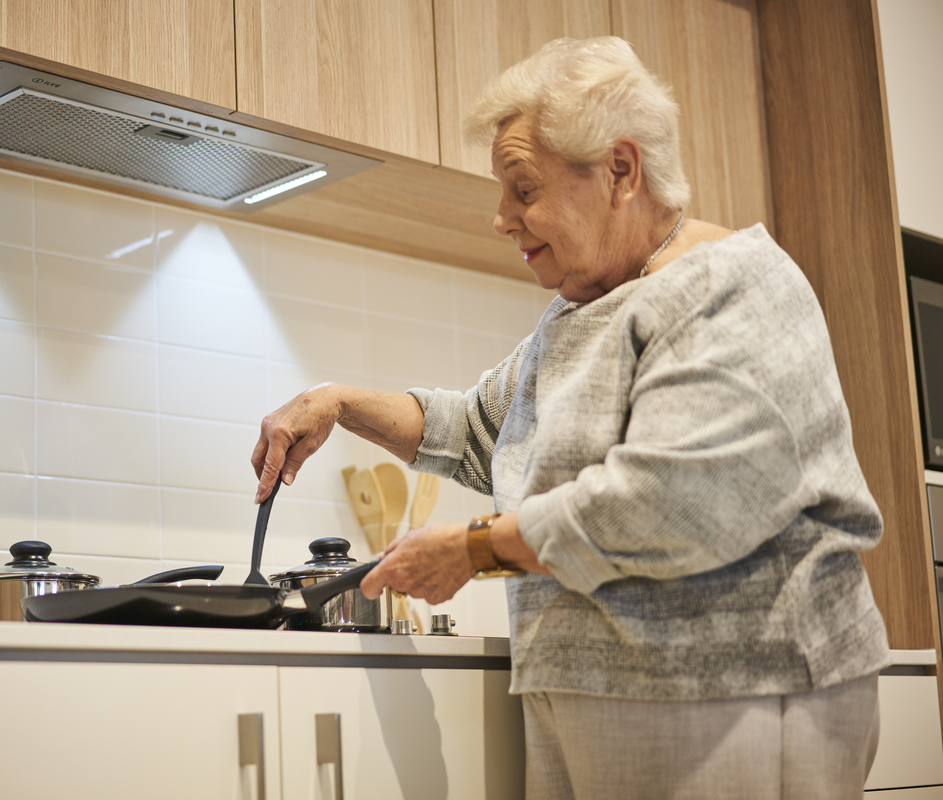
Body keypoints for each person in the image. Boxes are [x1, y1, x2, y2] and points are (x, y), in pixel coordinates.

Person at [251, 36, 890, 799]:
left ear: (621, 170)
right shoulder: (577, 313)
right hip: (585, 693)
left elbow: (674, 501)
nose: (500, 218)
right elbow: (480, 431)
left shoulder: (728, 285)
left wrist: (476, 549)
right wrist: (340, 401)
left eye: (523, 189)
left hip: (732, 693)